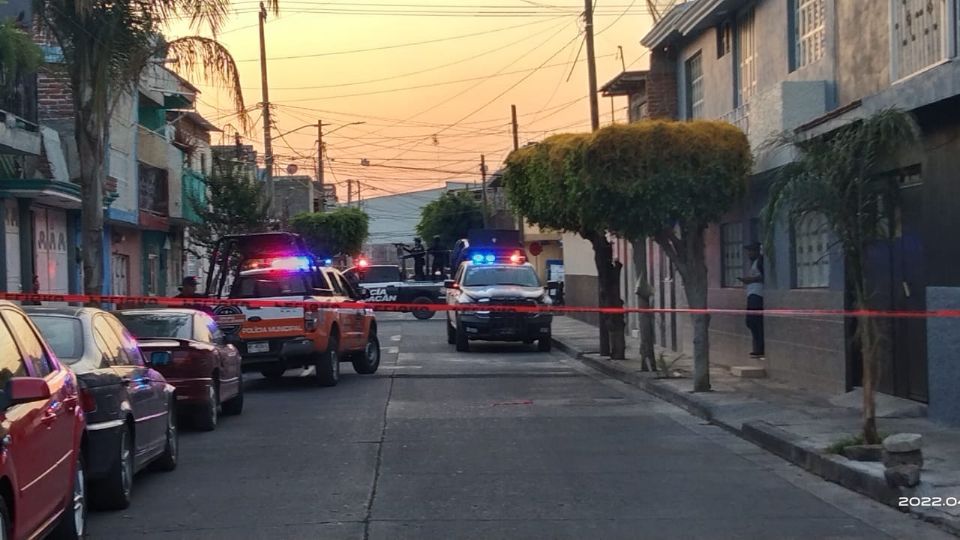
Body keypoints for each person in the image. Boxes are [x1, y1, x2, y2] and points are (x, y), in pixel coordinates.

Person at [738, 242, 764, 357]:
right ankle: (757, 347)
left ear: (757, 251)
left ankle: (760, 348)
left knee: (754, 321)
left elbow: (764, 276)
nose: (749, 253)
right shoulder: (754, 263)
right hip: (752, 294)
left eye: (752, 251)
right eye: (749, 251)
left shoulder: (760, 261)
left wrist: (751, 280)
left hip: (757, 295)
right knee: (750, 322)